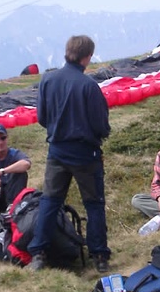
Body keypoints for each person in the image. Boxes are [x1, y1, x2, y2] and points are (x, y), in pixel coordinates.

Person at [28, 35, 111, 273]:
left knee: (50, 201)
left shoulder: (48, 79)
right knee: (94, 204)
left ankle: (39, 253)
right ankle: (99, 256)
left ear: (67, 52)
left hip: (57, 151)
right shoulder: (88, 86)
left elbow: (42, 117)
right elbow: (100, 124)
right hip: (86, 154)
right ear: (87, 56)